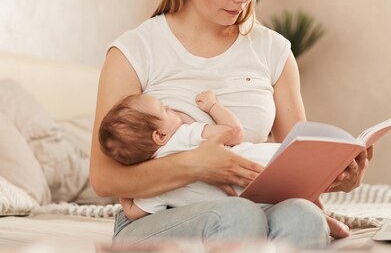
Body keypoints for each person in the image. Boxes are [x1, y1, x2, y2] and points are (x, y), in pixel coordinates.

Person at [89, 0, 373, 249]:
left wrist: (338, 178)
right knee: (238, 216)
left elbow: (297, 160)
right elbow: (104, 178)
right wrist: (197, 165)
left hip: (256, 206)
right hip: (160, 219)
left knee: (304, 216)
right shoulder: (134, 52)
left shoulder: (274, 51)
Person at [98, 91, 278, 221]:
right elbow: (234, 132)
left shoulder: (156, 189)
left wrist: (125, 190)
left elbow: (131, 212)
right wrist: (212, 106)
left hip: (255, 201)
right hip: (259, 160)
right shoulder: (184, 136)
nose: (170, 107)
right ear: (160, 135)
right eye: (164, 109)